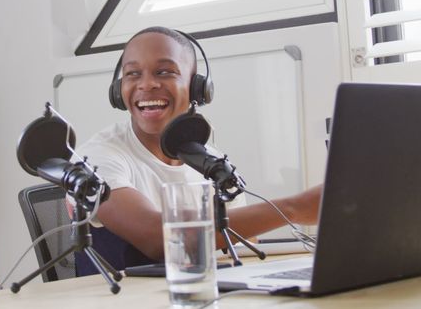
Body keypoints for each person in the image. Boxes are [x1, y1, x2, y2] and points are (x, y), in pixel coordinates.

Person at [76, 26, 322, 271]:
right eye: (132, 74)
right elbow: (160, 240)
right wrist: (294, 208)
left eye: (164, 72)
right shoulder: (95, 158)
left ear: (197, 88)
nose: (147, 84)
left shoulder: (208, 158)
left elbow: (244, 242)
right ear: (118, 91)